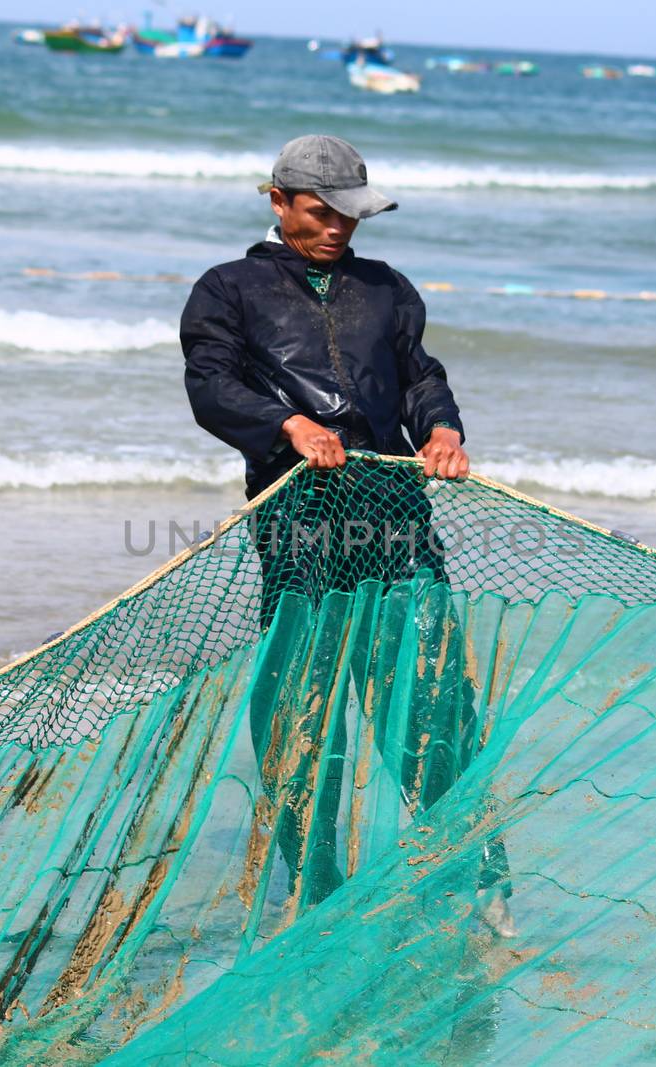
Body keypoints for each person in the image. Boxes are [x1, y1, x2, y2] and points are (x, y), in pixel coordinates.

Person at [180, 134, 513, 935]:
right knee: (307, 706)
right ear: (278, 202)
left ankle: (480, 889)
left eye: (350, 215)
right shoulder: (228, 290)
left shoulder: (386, 289)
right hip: (298, 519)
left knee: (431, 701)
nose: (337, 229)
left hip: (395, 517)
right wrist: (285, 422)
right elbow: (211, 382)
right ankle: (316, 897)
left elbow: (421, 376)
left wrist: (441, 430)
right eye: (319, 213)